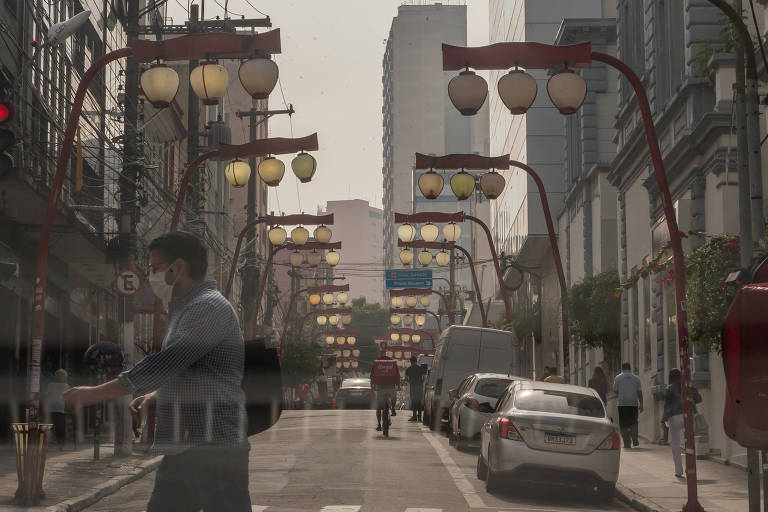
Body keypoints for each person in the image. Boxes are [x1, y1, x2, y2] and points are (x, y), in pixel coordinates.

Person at [63, 231, 251, 512]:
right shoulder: (186, 310)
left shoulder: (208, 308)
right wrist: (154, 396)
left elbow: (167, 362)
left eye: (154, 268)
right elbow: (187, 370)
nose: (150, 276)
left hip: (215, 448)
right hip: (186, 447)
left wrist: (95, 393)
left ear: (179, 268)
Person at [613, 362, 643, 449]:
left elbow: (615, 390)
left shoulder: (618, 378)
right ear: (630, 368)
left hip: (622, 404)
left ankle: (626, 443)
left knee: (623, 424)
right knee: (633, 422)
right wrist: (642, 404)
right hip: (633, 404)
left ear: (622, 368)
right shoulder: (636, 378)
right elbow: (639, 393)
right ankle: (635, 439)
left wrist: (622, 392)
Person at [370, 355, 397, 432]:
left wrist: (372, 386)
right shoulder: (392, 364)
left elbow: (372, 376)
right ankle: (393, 409)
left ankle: (379, 424)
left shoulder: (376, 364)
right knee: (394, 395)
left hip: (380, 388)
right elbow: (397, 375)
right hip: (390, 387)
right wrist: (398, 386)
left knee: (378, 407)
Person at [45, 369, 70, 449]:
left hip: (61, 410)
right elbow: (47, 396)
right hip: (51, 409)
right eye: (58, 375)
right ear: (55, 376)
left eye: (61, 376)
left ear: (64, 377)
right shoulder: (50, 385)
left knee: (60, 427)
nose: (59, 377)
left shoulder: (66, 386)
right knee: (50, 426)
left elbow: (68, 398)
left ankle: (61, 444)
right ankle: (52, 441)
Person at [405, 356, 425, 422]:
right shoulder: (420, 368)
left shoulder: (408, 369)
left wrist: (410, 382)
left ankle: (414, 416)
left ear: (411, 362)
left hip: (413, 387)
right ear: (416, 361)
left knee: (414, 402)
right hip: (419, 387)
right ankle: (419, 417)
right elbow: (424, 377)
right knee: (419, 402)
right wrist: (421, 382)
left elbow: (406, 379)